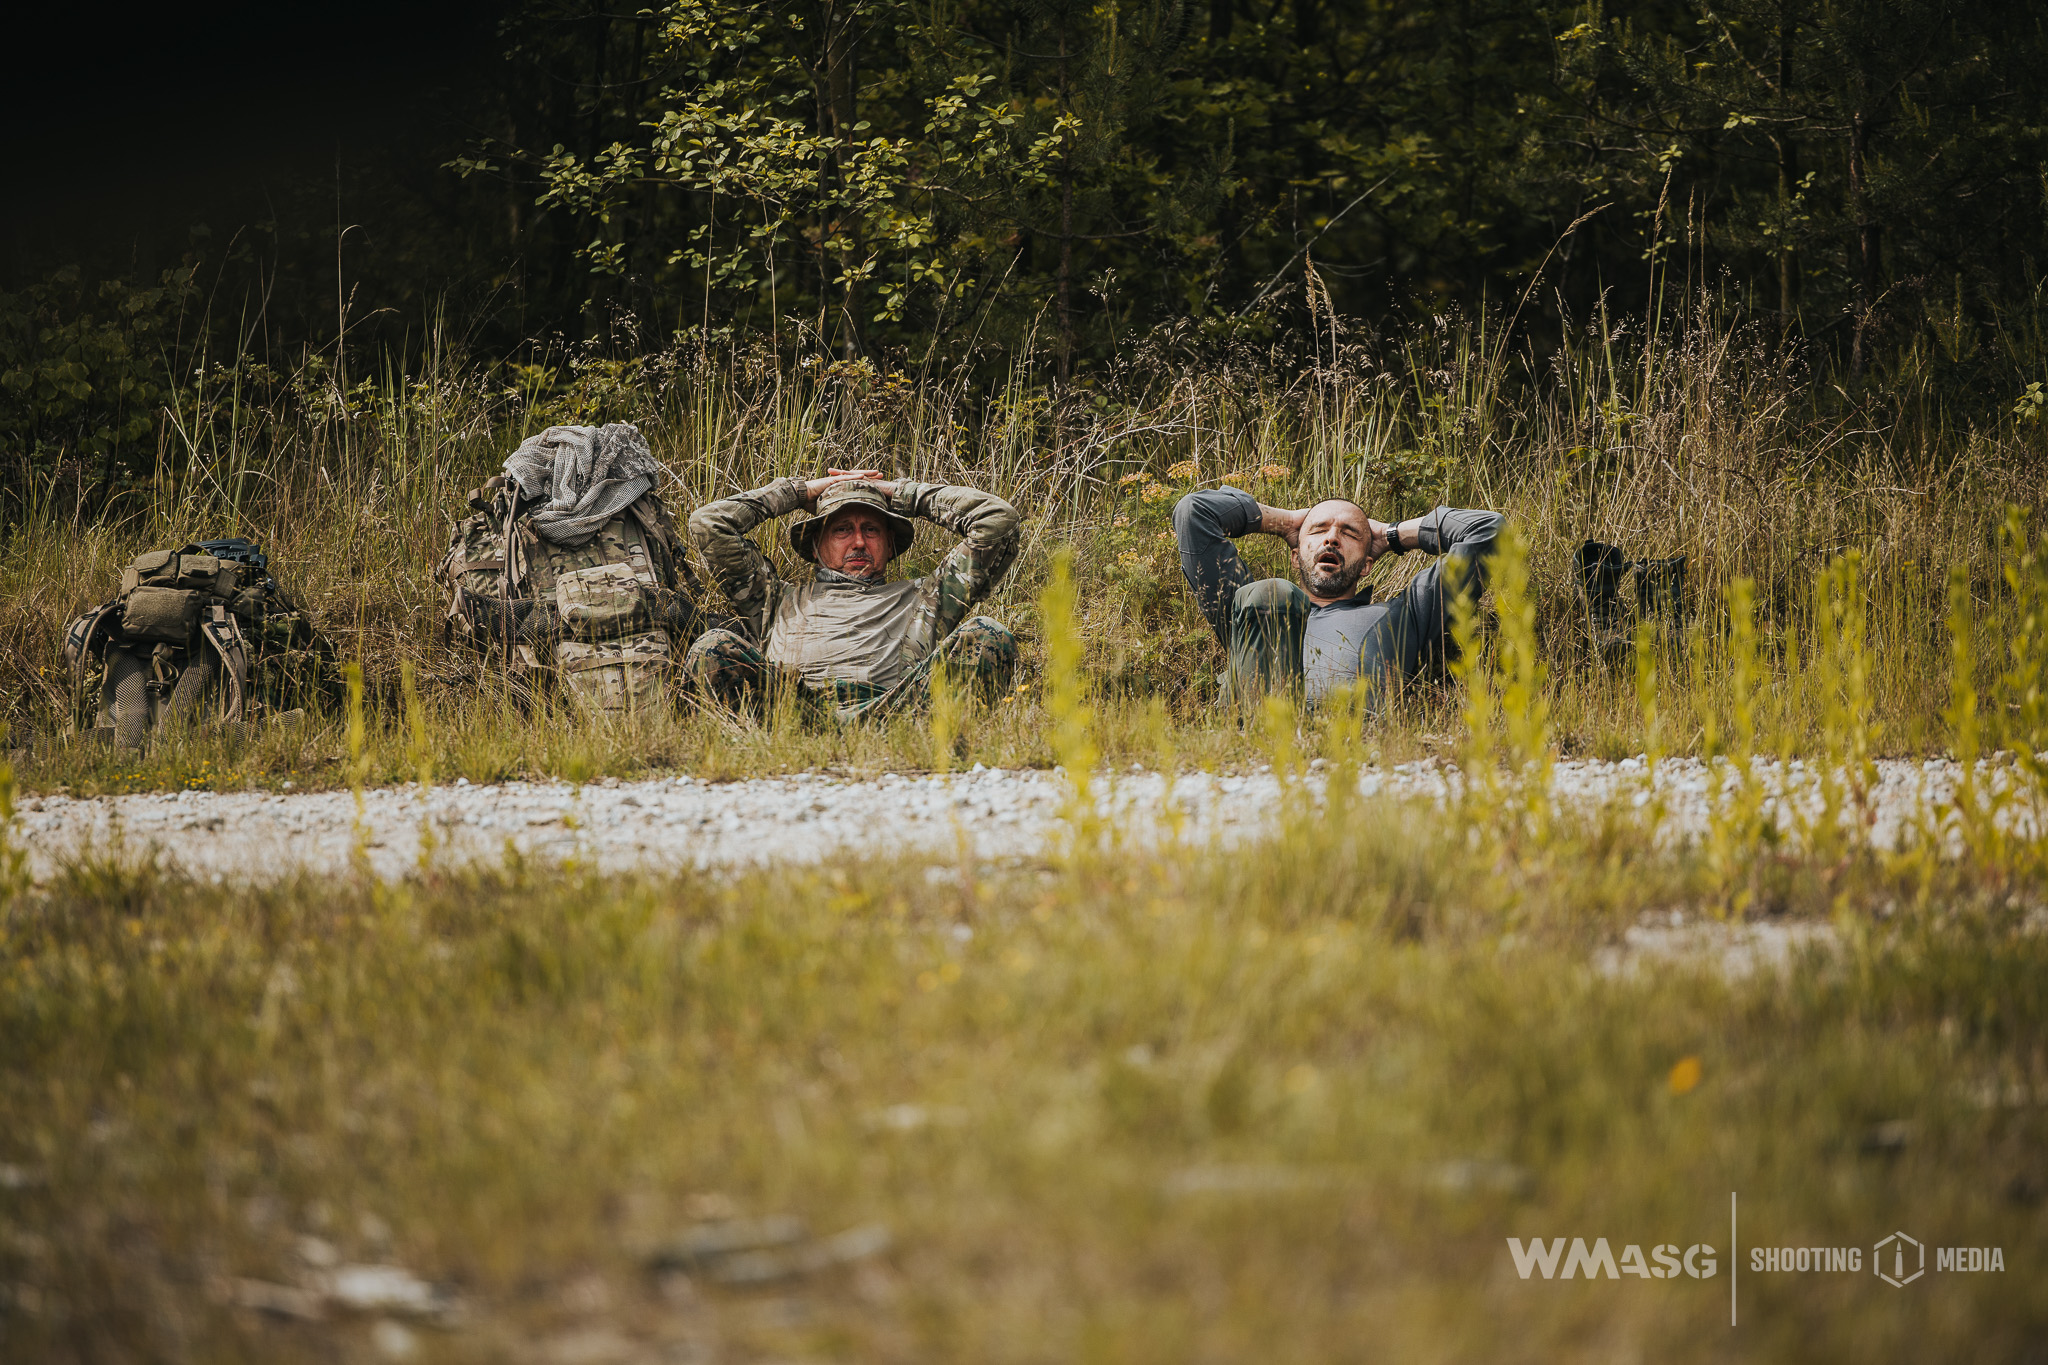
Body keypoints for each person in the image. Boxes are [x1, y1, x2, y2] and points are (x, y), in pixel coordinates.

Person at [686, 468, 1020, 720]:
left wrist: (902, 493)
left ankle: (934, 745)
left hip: (896, 713)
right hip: (790, 713)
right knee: (712, 646)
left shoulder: (929, 598)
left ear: (890, 545)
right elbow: (709, 524)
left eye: (871, 530)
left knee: (989, 634)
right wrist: (798, 492)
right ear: (816, 545)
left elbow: (997, 520)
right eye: (842, 530)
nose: (858, 542)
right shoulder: (774, 599)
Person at [1172, 484, 1504, 707]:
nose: (1332, 538)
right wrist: (1283, 522)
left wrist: (1392, 534)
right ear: (1295, 553)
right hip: (1256, 742)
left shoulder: (1404, 616)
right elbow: (1195, 512)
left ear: (1367, 564)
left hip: (1347, 748)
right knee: (1270, 594)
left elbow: (1489, 532)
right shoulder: (1247, 614)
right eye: (1318, 530)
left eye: (1350, 534)